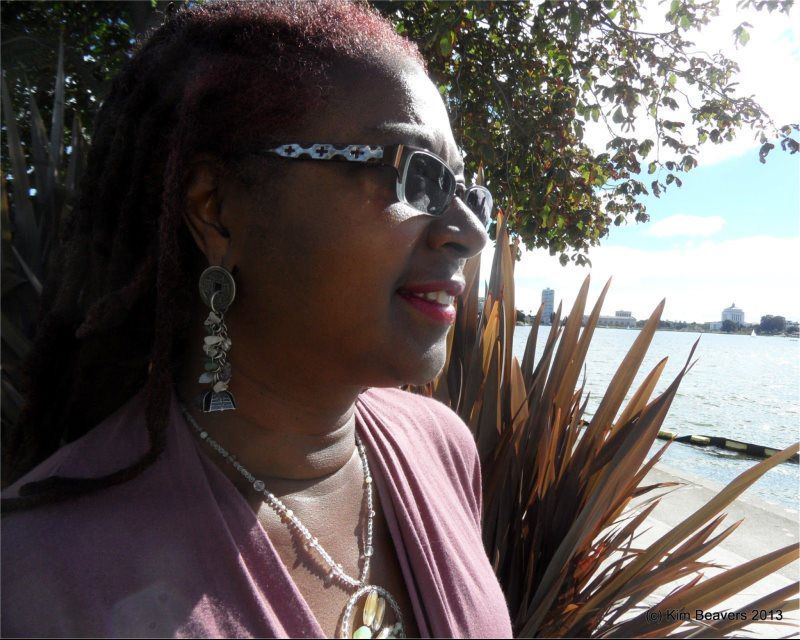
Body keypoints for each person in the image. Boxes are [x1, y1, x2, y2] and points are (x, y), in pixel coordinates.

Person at [1, 1, 512, 637]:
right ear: (215, 210)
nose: (470, 233)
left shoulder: (443, 449)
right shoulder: (41, 575)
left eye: (467, 190)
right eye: (413, 173)